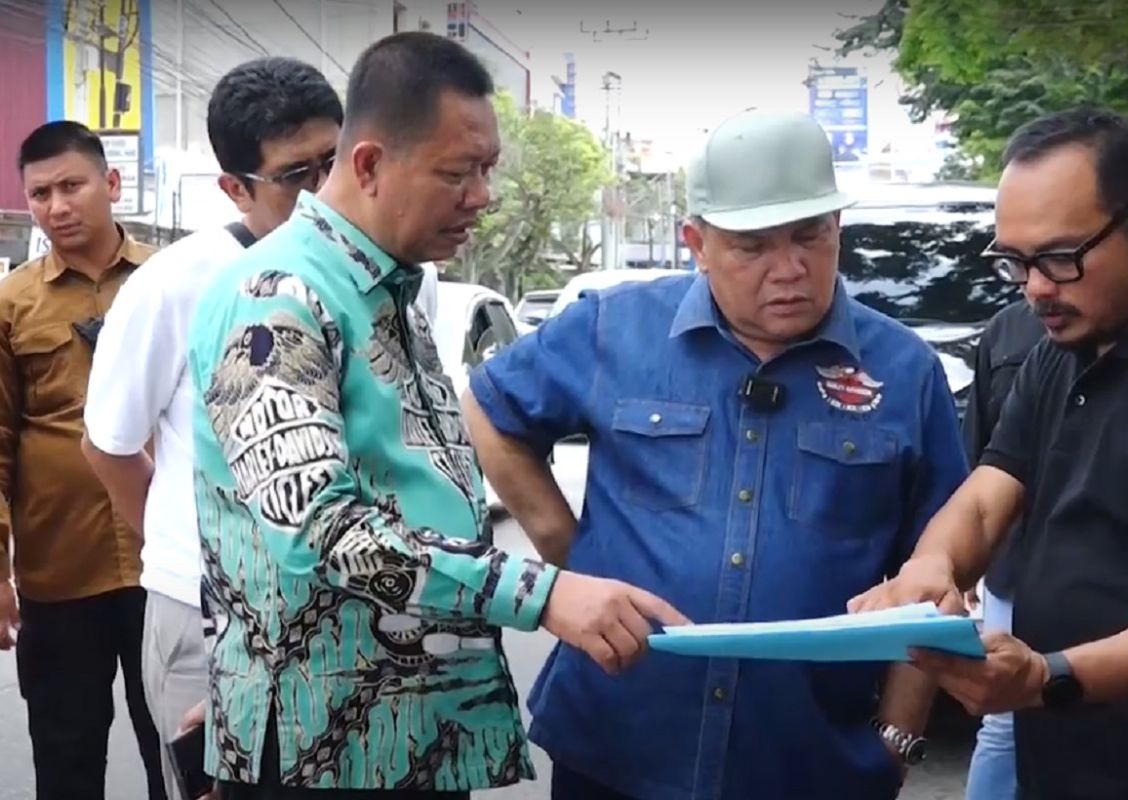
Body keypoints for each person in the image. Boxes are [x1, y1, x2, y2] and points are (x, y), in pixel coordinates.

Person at [183, 32, 685, 798]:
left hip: (400, 744)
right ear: (369, 164)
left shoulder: (388, 292)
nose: (481, 195)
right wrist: (544, 594)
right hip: (328, 758)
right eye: (457, 172)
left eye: (486, 170)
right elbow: (319, 528)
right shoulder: (278, 297)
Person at [461, 108, 969, 799]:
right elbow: (488, 410)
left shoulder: (905, 372)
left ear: (836, 229)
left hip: (807, 763)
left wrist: (897, 738)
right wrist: (563, 548)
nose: (789, 268)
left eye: (809, 236)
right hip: (621, 746)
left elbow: (933, 575)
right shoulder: (613, 330)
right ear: (696, 242)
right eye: (752, 246)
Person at [849, 107, 1128, 799]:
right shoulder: (1057, 353)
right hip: (1064, 761)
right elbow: (989, 494)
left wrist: (1052, 675)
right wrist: (931, 568)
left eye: (1062, 257)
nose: (1037, 287)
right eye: (1015, 261)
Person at [80, 57, 343, 800]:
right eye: (297, 175)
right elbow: (108, 445)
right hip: (206, 618)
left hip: (341, 622)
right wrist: (178, 547)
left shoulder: (372, 273)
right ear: (235, 187)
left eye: (336, 160)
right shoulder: (176, 284)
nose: (326, 190)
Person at [0, 121, 166, 800]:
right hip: (59, 571)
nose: (57, 206)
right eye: (40, 193)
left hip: (171, 569)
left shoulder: (170, 281)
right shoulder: (13, 303)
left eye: (72, 186)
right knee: (66, 763)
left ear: (112, 184)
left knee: (187, 758)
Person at [959, 298, 1043, 800]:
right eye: (1018, 264)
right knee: (1004, 726)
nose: (1039, 285)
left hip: (1126, 577)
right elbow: (982, 457)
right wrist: (956, 558)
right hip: (1017, 566)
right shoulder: (1007, 330)